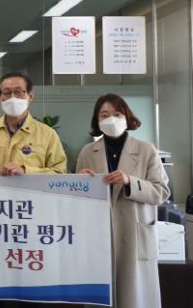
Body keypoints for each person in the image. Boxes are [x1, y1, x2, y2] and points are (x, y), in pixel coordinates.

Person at [76, 93, 169, 308]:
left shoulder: (146, 149)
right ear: (97, 121)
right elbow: (78, 200)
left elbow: (161, 192)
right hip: (100, 235)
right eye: (104, 115)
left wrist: (130, 182)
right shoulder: (88, 151)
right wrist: (80, 183)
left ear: (127, 117)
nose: (111, 119)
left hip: (134, 234)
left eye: (117, 114)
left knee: (134, 297)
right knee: (102, 298)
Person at [0, 72, 66, 175]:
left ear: (30, 96)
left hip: (30, 186)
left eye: (19, 92)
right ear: (0, 98)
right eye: (7, 93)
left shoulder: (47, 134)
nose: (13, 98)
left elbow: (59, 172)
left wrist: (26, 171)